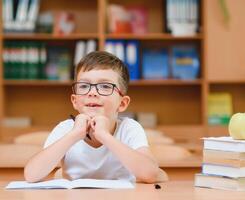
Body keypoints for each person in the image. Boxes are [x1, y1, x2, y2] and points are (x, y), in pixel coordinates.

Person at [24, 51, 164, 183]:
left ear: (122, 103)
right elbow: (31, 175)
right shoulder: (65, 129)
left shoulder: (129, 128)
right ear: (75, 101)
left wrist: (105, 136)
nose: (92, 92)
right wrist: (74, 135)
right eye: (84, 86)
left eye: (104, 86)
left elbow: (150, 174)